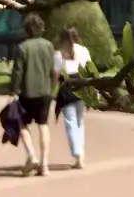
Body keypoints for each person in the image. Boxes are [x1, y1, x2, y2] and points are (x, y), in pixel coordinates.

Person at [9, 13, 56, 176]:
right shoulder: (49, 46)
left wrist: (14, 90)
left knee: (21, 123)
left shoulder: (23, 47)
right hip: (45, 91)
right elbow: (53, 69)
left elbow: (18, 72)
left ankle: (31, 155)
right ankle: (45, 164)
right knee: (43, 124)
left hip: (27, 92)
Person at [54, 27, 92, 170]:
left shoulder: (58, 55)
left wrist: (52, 91)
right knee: (80, 122)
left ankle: (78, 154)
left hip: (66, 88)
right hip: (81, 86)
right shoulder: (83, 50)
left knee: (71, 122)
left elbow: (55, 76)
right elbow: (89, 70)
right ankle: (81, 154)